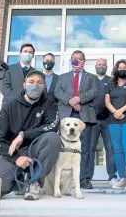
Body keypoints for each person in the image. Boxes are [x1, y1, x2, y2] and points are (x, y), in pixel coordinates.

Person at [0, 70, 61, 200]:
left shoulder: (49, 103)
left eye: (39, 83)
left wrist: (23, 135)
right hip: (14, 151)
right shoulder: (9, 106)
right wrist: (16, 158)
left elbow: (52, 126)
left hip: (37, 146)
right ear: (24, 85)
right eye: (31, 82)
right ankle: (20, 182)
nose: (35, 85)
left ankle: (34, 182)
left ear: (44, 86)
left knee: (53, 138)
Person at [54, 50, 99, 189]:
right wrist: (71, 100)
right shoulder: (62, 77)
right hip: (67, 116)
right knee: (64, 149)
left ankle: (84, 179)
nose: (77, 61)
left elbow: (94, 91)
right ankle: (64, 180)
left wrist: (80, 98)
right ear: (71, 61)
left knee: (86, 149)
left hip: (85, 117)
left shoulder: (92, 77)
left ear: (84, 62)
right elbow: (58, 92)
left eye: (79, 59)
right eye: (74, 59)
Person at [105, 60, 126, 191]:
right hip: (113, 120)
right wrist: (115, 112)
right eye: (120, 68)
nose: (122, 69)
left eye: (124, 68)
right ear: (116, 69)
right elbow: (107, 101)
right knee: (117, 150)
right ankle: (122, 178)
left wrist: (121, 111)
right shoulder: (110, 84)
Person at [91, 58, 117, 186]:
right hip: (92, 120)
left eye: (103, 65)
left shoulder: (111, 81)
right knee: (89, 149)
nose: (101, 66)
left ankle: (112, 177)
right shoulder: (90, 80)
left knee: (110, 149)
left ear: (107, 67)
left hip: (108, 120)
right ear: (95, 66)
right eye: (99, 64)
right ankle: (85, 178)